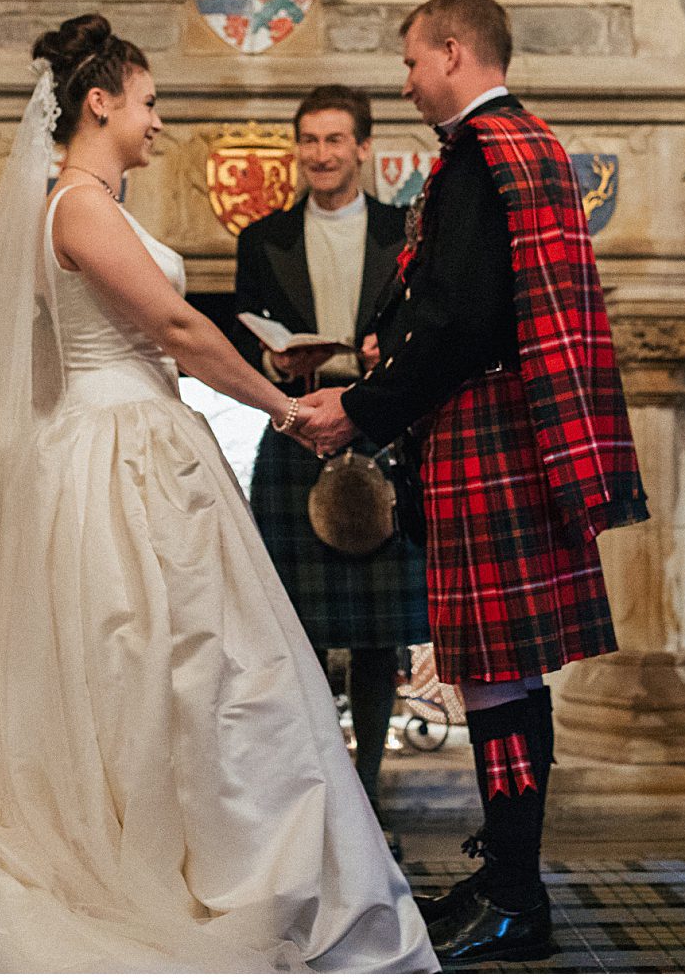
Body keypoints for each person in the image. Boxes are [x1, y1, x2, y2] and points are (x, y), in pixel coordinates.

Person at [0, 15, 434, 972]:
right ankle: (135, 875)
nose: (159, 123)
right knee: (147, 664)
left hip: (130, 440)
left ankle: (184, 854)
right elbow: (177, 328)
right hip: (116, 456)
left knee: (182, 669)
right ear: (100, 102)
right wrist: (287, 408)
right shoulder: (76, 206)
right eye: (149, 104)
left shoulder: (86, 204)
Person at [299, 0, 647, 965]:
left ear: (452, 53)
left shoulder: (479, 157)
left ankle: (513, 900)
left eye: (410, 62)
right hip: (508, 432)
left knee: (497, 681)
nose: (403, 82)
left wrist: (360, 404)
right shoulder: (519, 144)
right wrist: (383, 339)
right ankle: (506, 881)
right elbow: (461, 304)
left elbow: (460, 326)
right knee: (501, 680)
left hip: (488, 436)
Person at [230, 83, 424, 849]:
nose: (320, 154)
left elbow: (425, 322)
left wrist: (390, 350)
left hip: (379, 429)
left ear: (363, 149)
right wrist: (274, 358)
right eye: (309, 140)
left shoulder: (402, 229)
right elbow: (249, 335)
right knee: (299, 632)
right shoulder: (262, 239)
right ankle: (314, 796)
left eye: (335, 140)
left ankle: (369, 795)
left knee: (380, 635)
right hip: (297, 427)